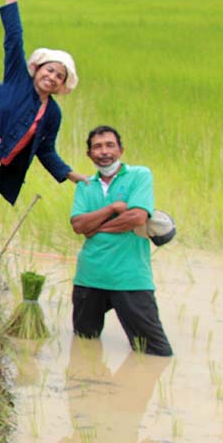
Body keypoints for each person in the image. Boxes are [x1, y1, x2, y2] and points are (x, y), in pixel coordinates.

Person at [0, 0, 90, 304]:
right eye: (49, 69)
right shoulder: (17, 75)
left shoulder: (52, 113)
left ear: (62, 86)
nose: (52, 77)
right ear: (37, 67)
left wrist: (73, 175)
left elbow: (46, 151)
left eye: (59, 76)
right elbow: (14, 36)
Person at [69, 126, 173, 356]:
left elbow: (137, 217)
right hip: (89, 276)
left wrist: (95, 228)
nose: (104, 151)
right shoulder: (85, 185)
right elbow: (78, 225)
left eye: (109, 145)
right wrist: (114, 208)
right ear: (89, 154)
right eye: (97, 147)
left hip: (131, 278)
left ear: (121, 150)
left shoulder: (140, 175)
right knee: (84, 343)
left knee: (154, 352)